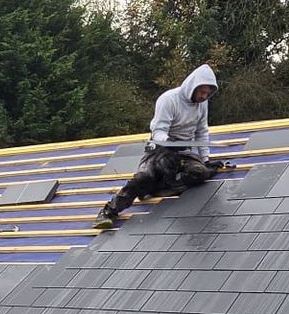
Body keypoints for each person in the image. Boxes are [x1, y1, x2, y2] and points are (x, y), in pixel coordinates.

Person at [95, 63, 233, 228]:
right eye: (202, 92)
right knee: (143, 177)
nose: (204, 96)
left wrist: (205, 159)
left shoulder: (202, 104)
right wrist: (170, 144)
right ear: (193, 87)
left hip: (182, 151)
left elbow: (201, 132)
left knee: (200, 173)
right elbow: (158, 131)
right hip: (159, 148)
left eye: (207, 94)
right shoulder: (169, 100)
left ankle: (156, 187)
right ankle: (109, 211)